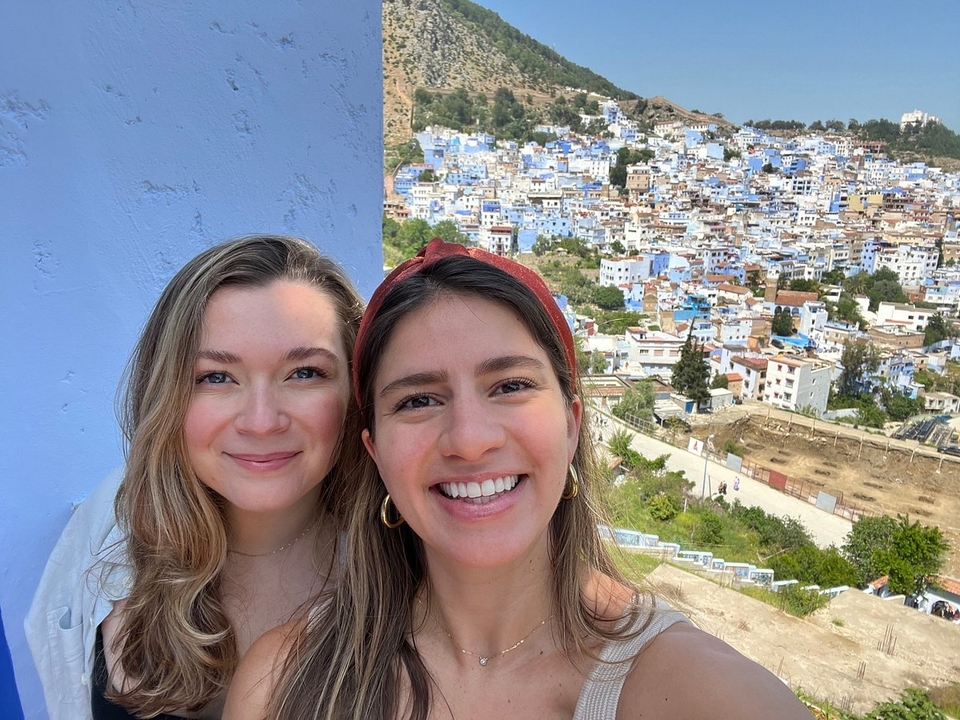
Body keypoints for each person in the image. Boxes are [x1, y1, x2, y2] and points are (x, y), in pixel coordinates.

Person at [225, 239, 811, 719]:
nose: (470, 439)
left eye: (509, 386)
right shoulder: (283, 685)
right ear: (375, 452)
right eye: (419, 400)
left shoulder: (706, 696)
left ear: (572, 423)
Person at [26, 235, 365, 720]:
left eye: (304, 373)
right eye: (216, 377)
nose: (261, 421)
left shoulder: (404, 576)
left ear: (355, 389)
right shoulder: (113, 524)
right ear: (167, 393)